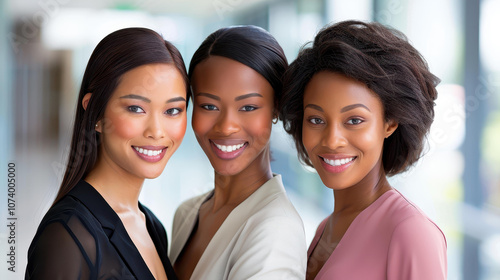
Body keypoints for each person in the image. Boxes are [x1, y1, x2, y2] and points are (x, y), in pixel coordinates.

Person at [280, 20, 447, 279]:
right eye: (316, 120)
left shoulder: (411, 233)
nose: (332, 140)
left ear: (389, 123)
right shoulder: (325, 228)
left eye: (354, 120)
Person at [25, 27, 190, 280]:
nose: (157, 132)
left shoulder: (152, 225)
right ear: (95, 113)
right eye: (136, 108)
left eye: (173, 110)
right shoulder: (67, 234)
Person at [169, 25, 307, 280]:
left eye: (248, 107)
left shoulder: (275, 229)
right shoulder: (187, 214)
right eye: (209, 105)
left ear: (276, 109)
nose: (226, 126)